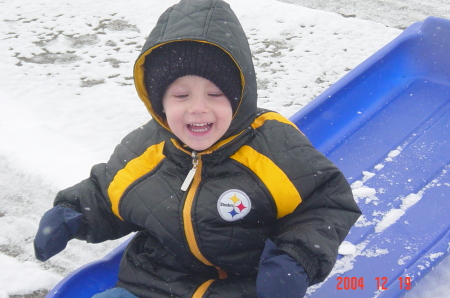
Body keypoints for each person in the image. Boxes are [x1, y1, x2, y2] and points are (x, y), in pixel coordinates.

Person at [34, 0, 361, 297]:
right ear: (159, 102)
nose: (198, 108)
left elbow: (325, 203)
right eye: (181, 96)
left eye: (215, 94)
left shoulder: (273, 145)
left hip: (243, 287)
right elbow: (107, 194)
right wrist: (73, 215)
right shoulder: (147, 147)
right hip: (153, 283)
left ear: (239, 97)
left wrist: (298, 258)